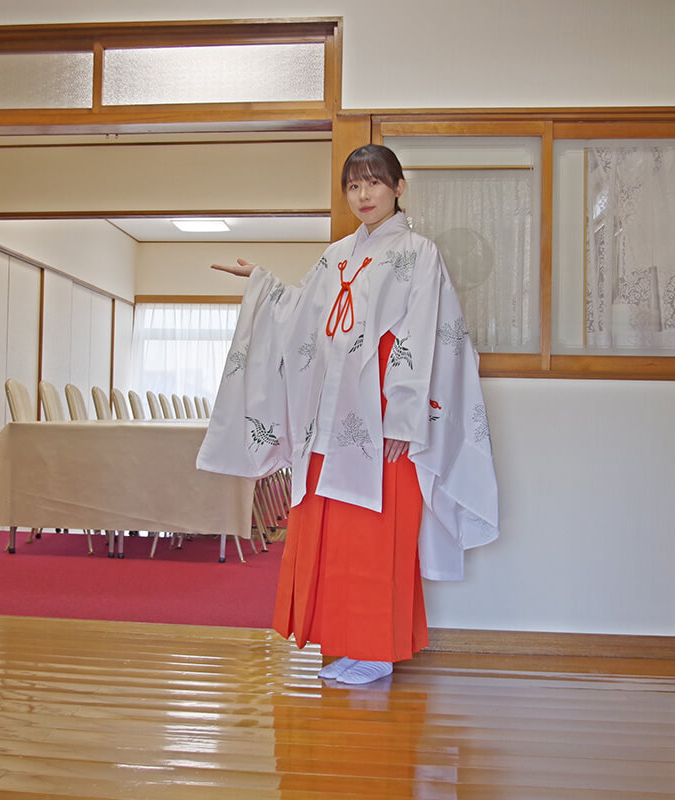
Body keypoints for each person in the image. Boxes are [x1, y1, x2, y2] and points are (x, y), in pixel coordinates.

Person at [196, 144, 499, 685]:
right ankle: (343, 641)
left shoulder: (418, 253)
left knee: (376, 530)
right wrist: (264, 284)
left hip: (380, 411)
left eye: (375, 183)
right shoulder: (336, 255)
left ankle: (377, 649)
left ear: (399, 187)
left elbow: (420, 338)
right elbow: (303, 315)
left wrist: (405, 420)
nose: (364, 195)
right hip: (329, 415)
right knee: (329, 526)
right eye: (354, 186)